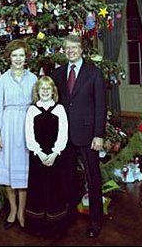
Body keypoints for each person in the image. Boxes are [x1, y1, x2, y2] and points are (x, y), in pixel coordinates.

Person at [52, 34, 107, 238]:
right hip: (65, 135)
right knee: (67, 177)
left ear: (82, 49)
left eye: (74, 47)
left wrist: (98, 135)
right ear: (63, 51)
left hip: (88, 135)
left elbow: (101, 106)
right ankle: (70, 214)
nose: (71, 51)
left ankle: (95, 221)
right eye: (67, 48)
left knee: (93, 179)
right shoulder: (57, 74)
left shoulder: (94, 73)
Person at [0, 39, 37, 230]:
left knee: (23, 172)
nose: (18, 59)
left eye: (21, 55)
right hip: (8, 127)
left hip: (27, 127)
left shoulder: (33, 79)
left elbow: (38, 106)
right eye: (14, 55)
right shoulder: (2, 80)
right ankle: (12, 209)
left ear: (26, 58)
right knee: (9, 172)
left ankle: (22, 212)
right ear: (9, 57)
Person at [25, 76, 68, 237]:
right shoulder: (32, 110)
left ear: (53, 91)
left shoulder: (59, 109)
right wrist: (40, 153)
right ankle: (36, 225)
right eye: (41, 89)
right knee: (38, 189)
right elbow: (29, 135)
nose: (45, 91)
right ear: (37, 91)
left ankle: (55, 226)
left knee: (55, 189)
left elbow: (63, 133)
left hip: (55, 156)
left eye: (48, 89)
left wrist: (55, 153)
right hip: (38, 156)